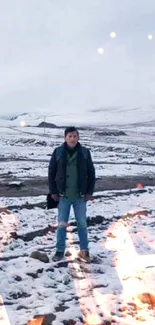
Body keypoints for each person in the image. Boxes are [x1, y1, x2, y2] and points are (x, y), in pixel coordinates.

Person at [48, 126, 95, 263]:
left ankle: (84, 250)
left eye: (75, 136)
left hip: (80, 196)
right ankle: (60, 250)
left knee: (82, 224)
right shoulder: (58, 152)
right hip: (63, 196)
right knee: (62, 224)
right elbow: (51, 173)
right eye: (70, 136)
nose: (72, 139)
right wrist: (53, 191)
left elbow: (91, 173)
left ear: (78, 137)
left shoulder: (85, 153)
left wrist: (89, 192)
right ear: (65, 137)